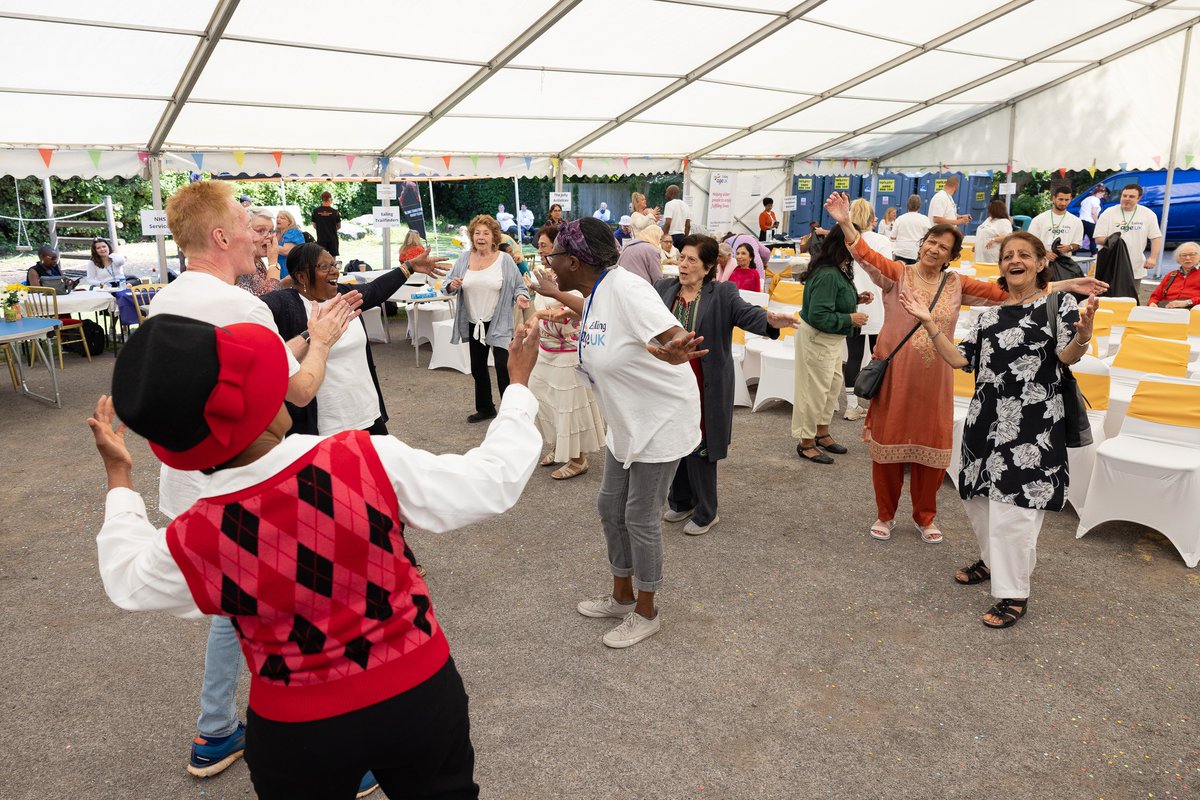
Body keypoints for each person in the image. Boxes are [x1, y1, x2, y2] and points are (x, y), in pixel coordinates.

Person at [90, 312, 542, 799]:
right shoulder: (361, 458)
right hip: (415, 690)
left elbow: (127, 578)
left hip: (296, 725)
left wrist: (119, 478)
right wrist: (517, 387)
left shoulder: (197, 533)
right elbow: (491, 479)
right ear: (262, 405)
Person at [145, 178, 361, 787]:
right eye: (248, 225)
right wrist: (322, 341)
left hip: (191, 480)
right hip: (247, 484)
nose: (261, 236)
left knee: (235, 605)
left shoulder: (167, 301)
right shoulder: (243, 307)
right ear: (220, 237)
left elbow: (244, 369)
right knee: (306, 603)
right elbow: (299, 390)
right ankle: (339, 747)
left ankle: (215, 730)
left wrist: (296, 341)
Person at [822, 191, 1106, 545]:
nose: (934, 249)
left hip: (937, 379)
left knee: (932, 450)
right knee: (887, 449)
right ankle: (885, 514)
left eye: (943, 247)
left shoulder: (956, 284)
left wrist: (1065, 285)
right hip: (895, 377)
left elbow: (1011, 292)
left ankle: (925, 517)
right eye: (931, 242)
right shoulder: (898, 275)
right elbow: (866, 256)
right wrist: (845, 222)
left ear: (952, 256)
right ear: (922, 244)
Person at [897, 231, 1098, 628]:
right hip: (985, 421)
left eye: (1024, 254)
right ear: (1001, 266)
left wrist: (1083, 335)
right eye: (1008, 256)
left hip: (1033, 424)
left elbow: (1066, 356)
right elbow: (959, 360)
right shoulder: (988, 316)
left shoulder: (1057, 304)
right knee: (979, 500)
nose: (1014, 260)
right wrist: (928, 323)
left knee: (1015, 512)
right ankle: (993, 562)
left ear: (1041, 263)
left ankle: (1014, 592)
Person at [529, 218, 705, 648]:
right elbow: (592, 311)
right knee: (610, 507)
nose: (548, 261)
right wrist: (555, 293)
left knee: (639, 516)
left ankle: (647, 612)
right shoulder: (598, 288)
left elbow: (674, 334)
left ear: (574, 261)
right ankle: (622, 597)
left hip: (659, 420)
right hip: (627, 420)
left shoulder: (628, 288)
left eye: (554, 256)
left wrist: (675, 350)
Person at [656, 235, 795, 534]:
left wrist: (771, 322)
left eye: (692, 260)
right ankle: (681, 501)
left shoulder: (722, 293)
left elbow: (747, 313)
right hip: (670, 382)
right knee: (674, 439)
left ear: (708, 267)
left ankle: (706, 512)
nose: (683, 264)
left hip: (705, 384)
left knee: (701, 444)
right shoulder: (664, 289)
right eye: (682, 257)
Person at [262, 242, 446, 436]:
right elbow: (252, 315)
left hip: (367, 413)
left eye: (334, 264)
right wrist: (313, 333)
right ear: (301, 276)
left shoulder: (343, 296)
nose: (335, 271)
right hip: (328, 425)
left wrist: (409, 266)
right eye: (324, 266)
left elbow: (376, 289)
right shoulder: (285, 304)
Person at [528, 224, 604, 480]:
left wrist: (541, 314)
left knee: (567, 405)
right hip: (545, 350)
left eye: (545, 247)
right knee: (543, 399)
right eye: (539, 246)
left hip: (566, 352)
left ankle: (578, 459)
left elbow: (573, 311)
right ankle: (558, 446)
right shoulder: (544, 275)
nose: (541, 251)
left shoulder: (570, 279)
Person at [792, 225, 870, 465]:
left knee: (832, 387)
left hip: (830, 339)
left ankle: (821, 433)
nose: (860, 246)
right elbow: (818, 315)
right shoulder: (828, 273)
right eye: (856, 241)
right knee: (814, 392)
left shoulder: (838, 268)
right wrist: (850, 318)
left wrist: (855, 299)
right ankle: (806, 442)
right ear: (844, 244)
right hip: (819, 338)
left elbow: (830, 301)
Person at [444, 214, 531, 423]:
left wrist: (520, 296)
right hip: (474, 321)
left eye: (486, 233)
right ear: (472, 236)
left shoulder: (505, 260)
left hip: (499, 321)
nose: (480, 237)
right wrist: (452, 285)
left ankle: (510, 413)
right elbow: (447, 285)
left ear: (494, 237)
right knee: (478, 367)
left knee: (503, 366)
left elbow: (519, 286)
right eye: (477, 233)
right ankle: (485, 408)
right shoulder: (464, 259)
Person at [843, 199, 888, 421]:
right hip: (877, 304)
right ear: (872, 218)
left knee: (853, 356)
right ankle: (878, 405)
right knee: (879, 357)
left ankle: (851, 406)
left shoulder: (846, 240)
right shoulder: (881, 241)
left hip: (853, 303)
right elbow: (888, 273)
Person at [1094, 183, 1163, 279]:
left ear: (1139, 198)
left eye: (1131, 196)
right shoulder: (1108, 213)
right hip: (1109, 265)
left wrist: (1153, 258)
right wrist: (1114, 240)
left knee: (1133, 289)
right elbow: (1098, 238)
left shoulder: (1148, 214)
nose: (1127, 198)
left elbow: (1156, 237)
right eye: (1124, 195)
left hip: (1134, 266)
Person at [235, 212, 283, 297]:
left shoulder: (258, 261)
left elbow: (267, 287)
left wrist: (289, 280)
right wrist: (273, 263)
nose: (269, 236)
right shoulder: (242, 267)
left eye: (271, 231)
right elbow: (270, 299)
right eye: (261, 231)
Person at [1029, 187, 1084, 256]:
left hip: (1064, 260)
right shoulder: (1039, 219)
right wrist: (1045, 253)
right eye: (1060, 199)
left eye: (1067, 200)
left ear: (1070, 200)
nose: (1063, 203)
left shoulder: (1076, 221)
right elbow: (1030, 242)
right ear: (1054, 198)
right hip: (1042, 260)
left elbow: (1077, 243)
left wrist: (1069, 247)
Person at [1147, 241, 1200, 308]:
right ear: (1178, 259)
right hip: (1167, 309)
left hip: (1193, 310)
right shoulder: (1171, 275)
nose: (1187, 258)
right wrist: (1152, 303)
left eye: (1192, 254)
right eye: (1184, 255)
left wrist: (1188, 302)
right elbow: (1155, 296)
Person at [892, 195, 931, 264]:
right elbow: (928, 236)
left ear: (907, 205)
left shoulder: (900, 219)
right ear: (919, 206)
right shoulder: (924, 219)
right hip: (915, 253)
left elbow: (893, 236)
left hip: (900, 252)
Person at [973, 200, 1013, 264]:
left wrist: (994, 239)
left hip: (992, 255)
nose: (988, 212)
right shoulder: (988, 219)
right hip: (980, 254)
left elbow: (1007, 237)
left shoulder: (1004, 222)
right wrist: (977, 244)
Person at [275, 210, 305, 280]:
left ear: (289, 222)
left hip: (290, 267)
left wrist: (269, 245)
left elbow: (286, 251)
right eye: (277, 217)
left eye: (282, 218)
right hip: (278, 267)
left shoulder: (293, 232)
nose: (278, 219)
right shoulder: (275, 233)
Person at [310, 191, 341, 257]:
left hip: (321, 238)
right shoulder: (335, 212)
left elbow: (314, 225)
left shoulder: (315, 211)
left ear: (322, 199)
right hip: (333, 239)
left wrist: (321, 229)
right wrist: (331, 230)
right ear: (329, 199)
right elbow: (339, 226)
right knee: (332, 257)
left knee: (321, 257)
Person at [662, 185, 691, 250]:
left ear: (672, 193)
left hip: (671, 237)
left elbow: (667, 223)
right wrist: (685, 239)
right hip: (682, 236)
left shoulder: (669, 204)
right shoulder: (686, 205)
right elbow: (688, 225)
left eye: (667, 192)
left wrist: (663, 237)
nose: (665, 194)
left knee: (669, 255)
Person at [1080, 185, 1107, 255]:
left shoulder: (1086, 199)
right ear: (1099, 193)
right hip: (1090, 221)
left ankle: (1073, 253)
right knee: (1093, 239)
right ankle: (1094, 254)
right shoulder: (1096, 200)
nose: (1102, 197)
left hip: (1081, 221)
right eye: (1102, 195)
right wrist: (1097, 223)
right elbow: (1094, 213)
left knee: (1079, 239)